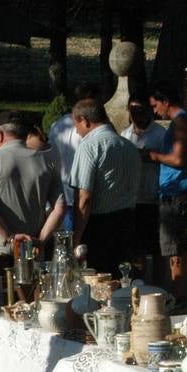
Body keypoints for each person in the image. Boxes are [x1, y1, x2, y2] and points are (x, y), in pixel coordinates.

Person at [0, 110, 65, 253]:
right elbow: (59, 208)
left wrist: (10, 238)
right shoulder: (48, 162)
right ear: (26, 134)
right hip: (33, 245)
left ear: (0, 135)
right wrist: (41, 240)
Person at [70, 99, 140, 276]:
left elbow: (84, 197)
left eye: (76, 124)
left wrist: (75, 238)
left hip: (99, 227)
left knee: (99, 284)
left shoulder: (89, 146)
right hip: (128, 222)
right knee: (124, 280)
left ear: (85, 120)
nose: (76, 131)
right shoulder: (129, 147)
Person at [146, 82, 187, 312]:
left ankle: (177, 295)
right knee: (177, 246)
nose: (154, 110)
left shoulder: (180, 124)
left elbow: (178, 159)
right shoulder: (181, 123)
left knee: (174, 247)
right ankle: (179, 292)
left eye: (155, 104)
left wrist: (154, 156)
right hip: (176, 190)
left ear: (166, 102)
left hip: (176, 192)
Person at [49, 83, 102, 232]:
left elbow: (51, 158)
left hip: (67, 194)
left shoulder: (57, 125)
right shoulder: (92, 128)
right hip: (87, 196)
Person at [121, 98, 165, 277]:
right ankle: (139, 285)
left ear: (150, 110)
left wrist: (149, 156)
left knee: (156, 248)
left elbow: (168, 162)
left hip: (154, 196)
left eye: (141, 110)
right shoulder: (125, 135)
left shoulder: (160, 134)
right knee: (136, 248)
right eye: (133, 110)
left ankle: (159, 288)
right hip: (132, 198)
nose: (137, 114)